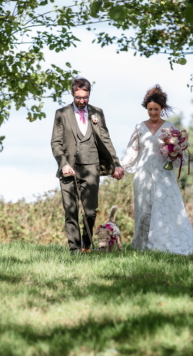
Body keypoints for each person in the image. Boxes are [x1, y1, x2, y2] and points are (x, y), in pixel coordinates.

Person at [51, 77, 124, 253]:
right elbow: (55, 142)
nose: (82, 101)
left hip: (92, 167)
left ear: (89, 94)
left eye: (85, 97)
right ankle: (75, 250)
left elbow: (106, 139)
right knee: (71, 211)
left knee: (90, 212)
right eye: (78, 97)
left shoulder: (97, 113)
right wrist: (63, 164)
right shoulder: (61, 114)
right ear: (72, 94)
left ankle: (86, 245)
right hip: (69, 169)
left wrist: (116, 164)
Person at [121, 85, 193, 255]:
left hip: (163, 173)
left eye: (156, 109)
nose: (153, 112)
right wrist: (121, 167)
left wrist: (175, 151)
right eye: (150, 109)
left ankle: (166, 243)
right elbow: (133, 152)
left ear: (162, 108)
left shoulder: (169, 127)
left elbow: (178, 154)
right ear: (146, 108)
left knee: (166, 206)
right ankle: (142, 245)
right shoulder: (140, 127)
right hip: (143, 173)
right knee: (144, 209)